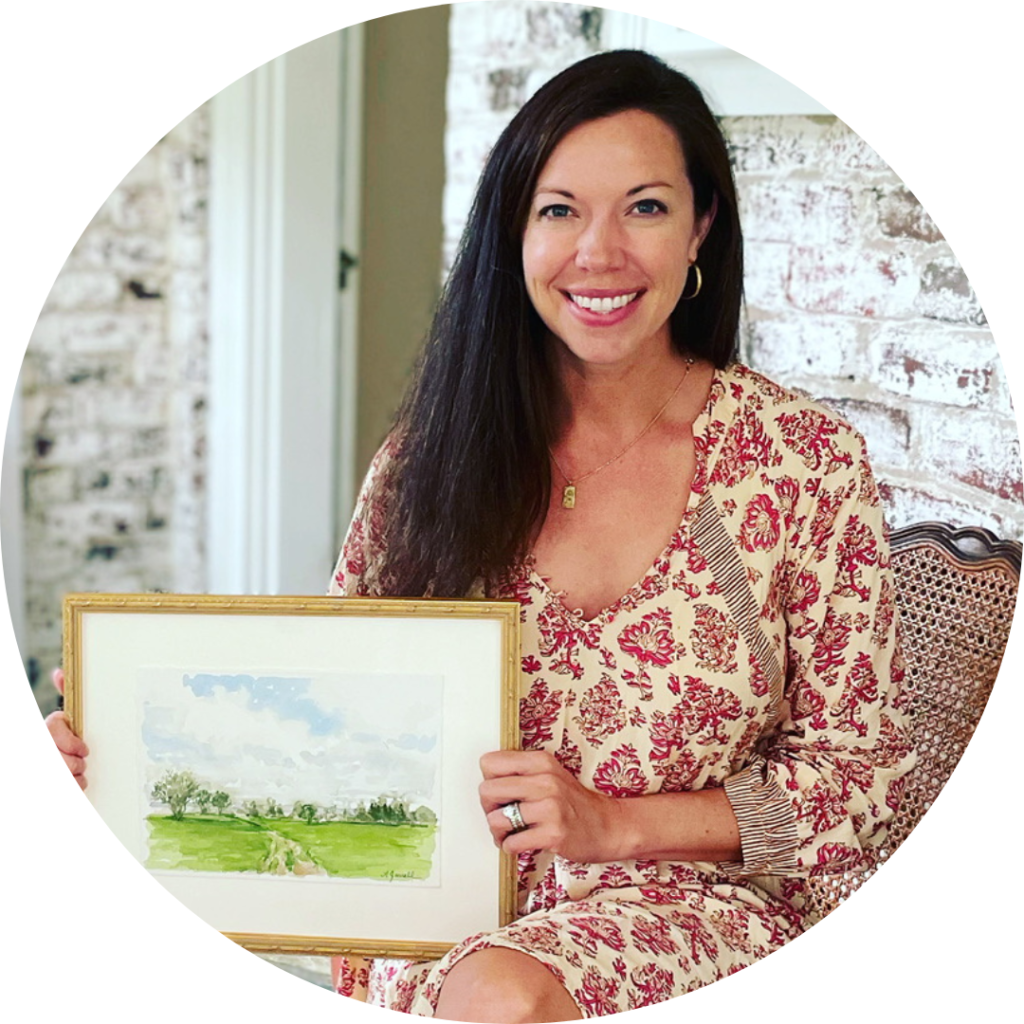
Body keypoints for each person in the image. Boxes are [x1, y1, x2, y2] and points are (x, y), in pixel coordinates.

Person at [49, 50, 914, 1021]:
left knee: (497, 994)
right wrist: (130, 749)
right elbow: (329, 722)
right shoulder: (426, 460)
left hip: (691, 902)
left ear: (701, 226)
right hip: (446, 911)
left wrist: (613, 825)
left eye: (645, 206)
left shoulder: (803, 463)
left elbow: (860, 784)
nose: (599, 252)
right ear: (512, 232)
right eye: (558, 209)